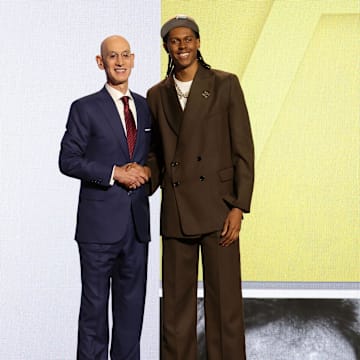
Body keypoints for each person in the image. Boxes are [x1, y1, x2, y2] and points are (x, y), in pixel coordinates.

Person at [146, 15, 254, 360]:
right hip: (177, 210)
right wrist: (136, 176)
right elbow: (156, 156)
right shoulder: (156, 95)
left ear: (198, 43)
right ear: (167, 47)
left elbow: (243, 150)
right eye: (175, 41)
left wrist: (239, 206)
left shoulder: (224, 84)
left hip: (220, 207)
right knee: (176, 308)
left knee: (225, 305)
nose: (182, 46)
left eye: (188, 39)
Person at [59, 35, 152, 360]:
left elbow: (153, 155)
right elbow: (67, 160)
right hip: (98, 231)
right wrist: (114, 172)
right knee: (94, 315)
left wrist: (147, 171)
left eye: (125, 55)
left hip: (136, 229)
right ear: (101, 62)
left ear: (133, 59)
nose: (120, 62)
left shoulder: (144, 106)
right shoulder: (84, 108)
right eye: (112, 56)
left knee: (131, 317)